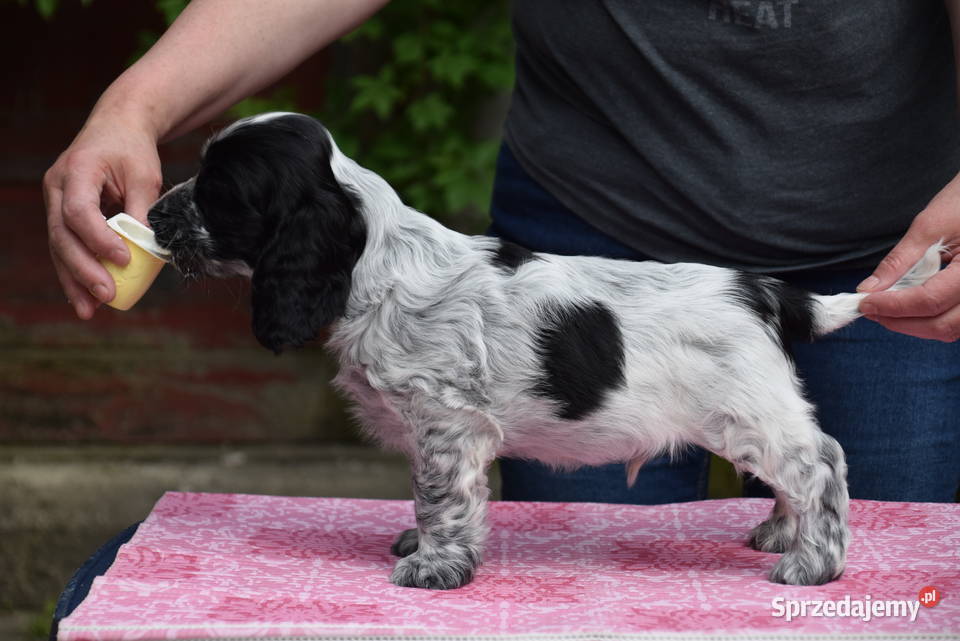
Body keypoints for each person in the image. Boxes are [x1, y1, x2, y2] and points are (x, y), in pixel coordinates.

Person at [45, 1, 959, 505]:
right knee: (572, 598)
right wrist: (135, 106)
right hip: (578, 249)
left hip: (893, 245)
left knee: (889, 594)